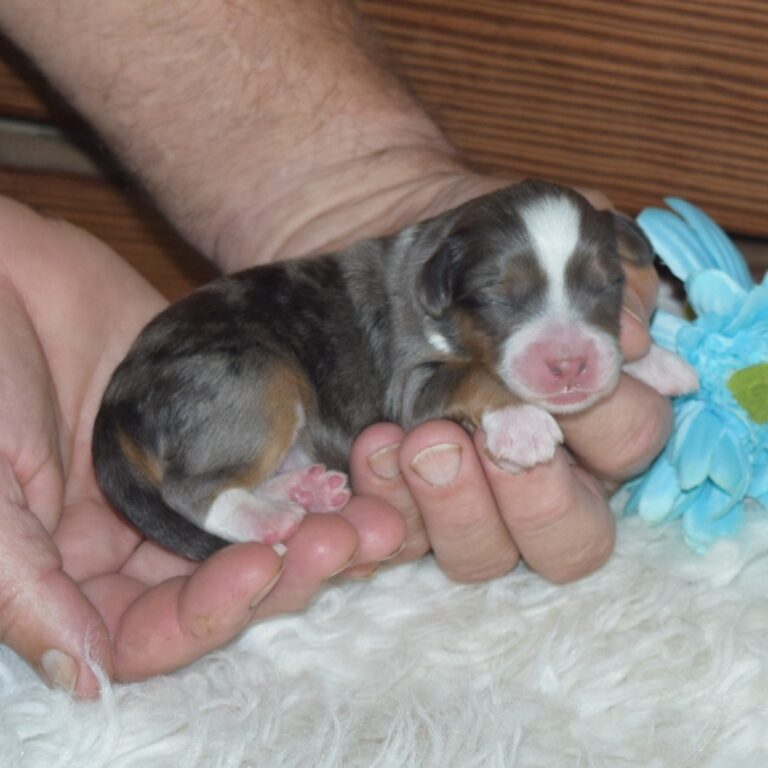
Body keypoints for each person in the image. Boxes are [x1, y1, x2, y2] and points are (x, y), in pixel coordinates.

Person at [0, 0, 669, 697]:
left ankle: (253, 481)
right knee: (264, 387)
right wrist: (497, 403)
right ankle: (210, 498)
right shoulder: (417, 304)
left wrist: (640, 354)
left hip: (230, 382)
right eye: (509, 298)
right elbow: (425, 393)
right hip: (217, 358)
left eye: (597, 293)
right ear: (443, 285)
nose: (566, 341)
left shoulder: (445, 274)